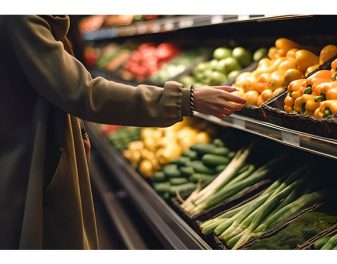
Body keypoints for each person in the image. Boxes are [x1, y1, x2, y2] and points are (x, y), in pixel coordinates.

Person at [0, 15, 246, 249]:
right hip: (29, 157)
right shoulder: (22, 18)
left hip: (35, 149)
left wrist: (80, 133)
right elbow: (85, 93)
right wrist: (187, 99)